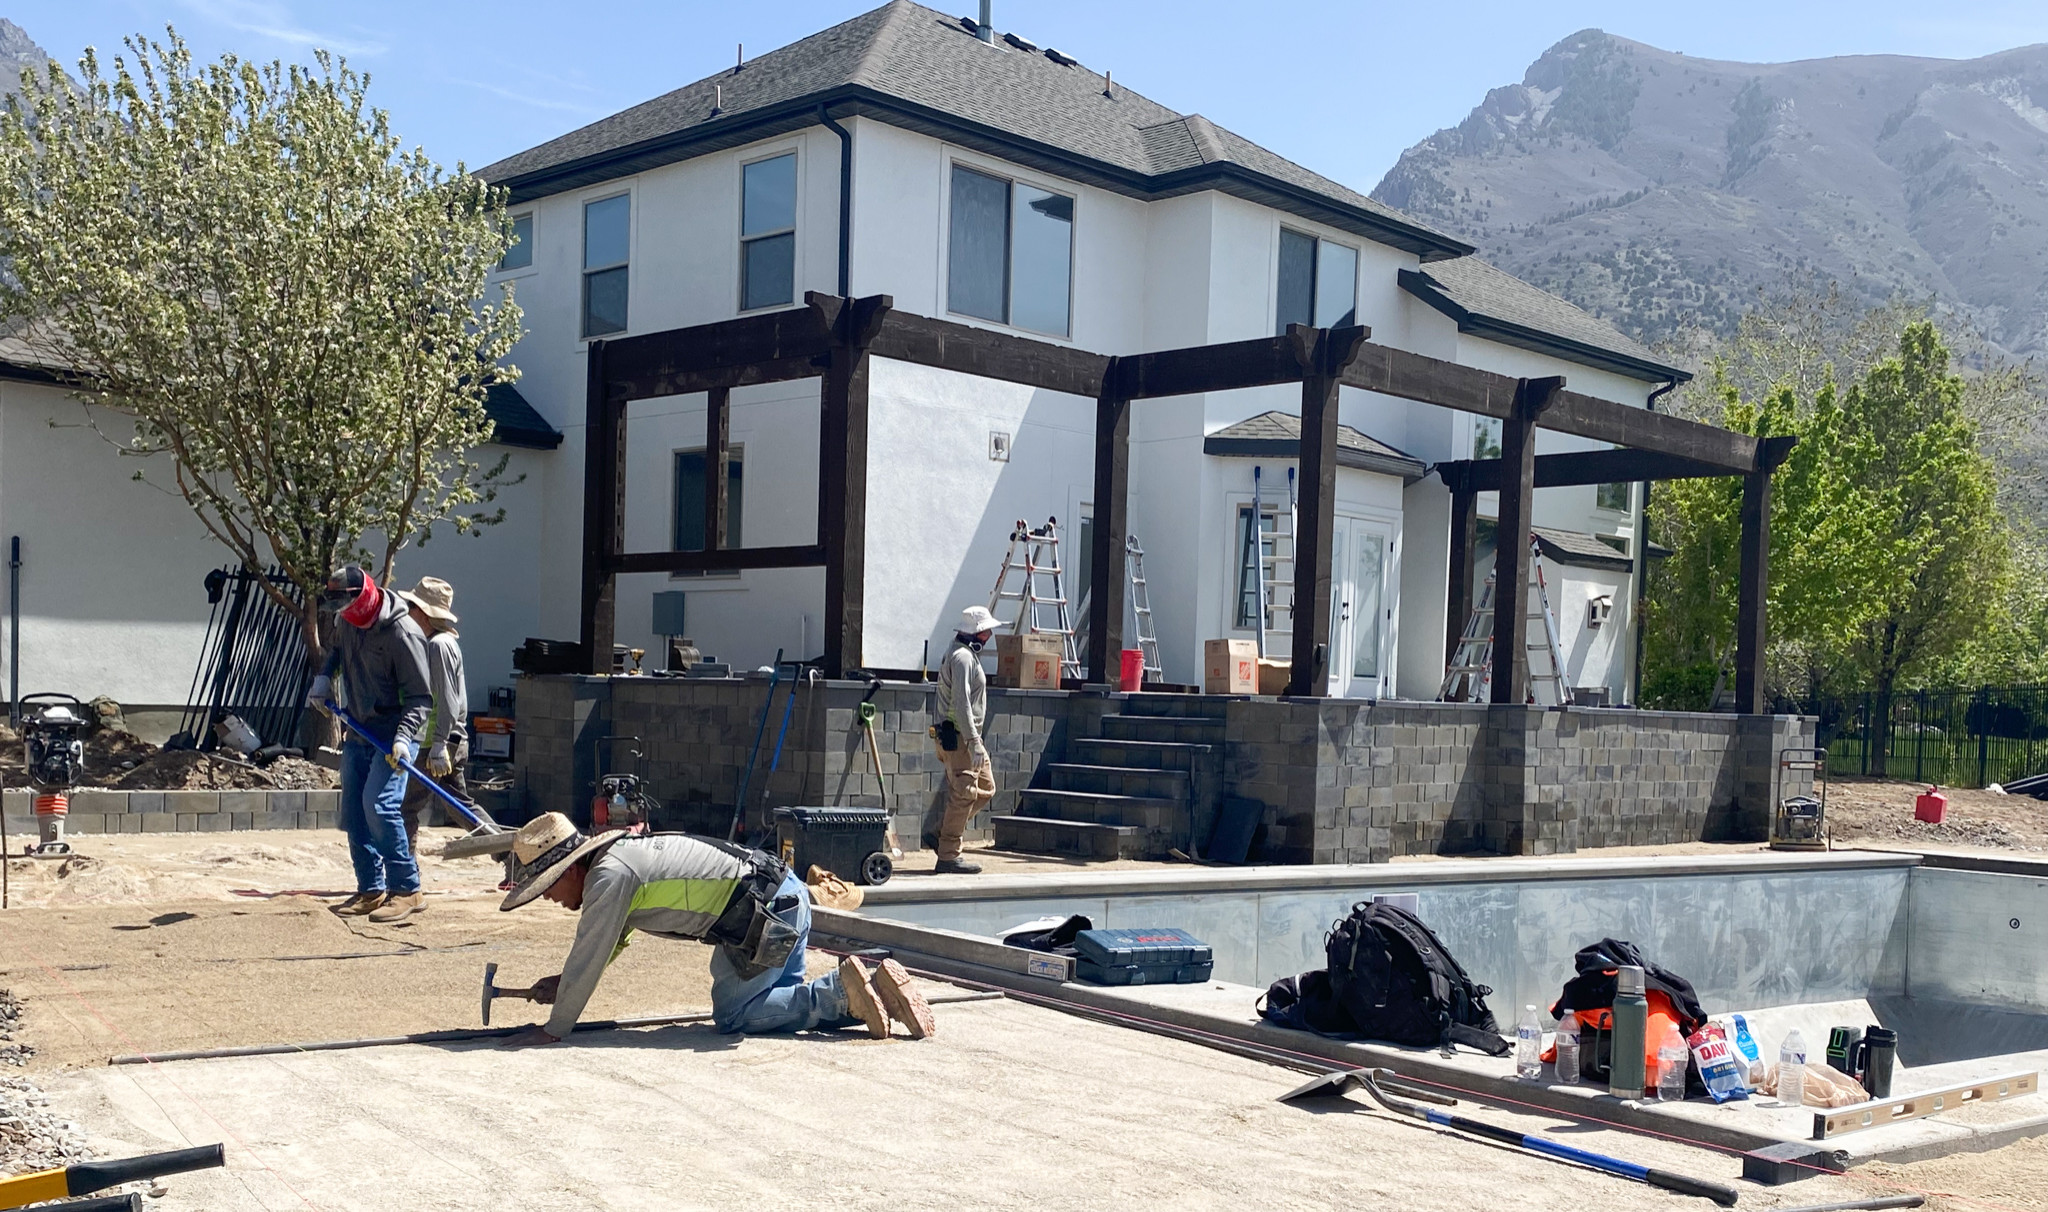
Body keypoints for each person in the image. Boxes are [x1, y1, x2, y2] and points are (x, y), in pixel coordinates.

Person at [494, 813, 935, 1047]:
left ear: (571, 868)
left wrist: (555, 1028)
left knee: (736, 1016)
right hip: (781, 898)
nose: (549, 897)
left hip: (766, 916)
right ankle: (870, 991)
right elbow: (613, 939)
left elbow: (588, 953)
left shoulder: (608, 879)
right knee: (778, 1012)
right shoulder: (620, 857)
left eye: (548, 886)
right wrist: (562, 984)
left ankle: (841, 994)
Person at [306, 565, 433, 923]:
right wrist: (324, 677)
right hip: (359, 726)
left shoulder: (402, 633)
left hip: (394, 735)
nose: (340, 616)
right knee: (354, 810)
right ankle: (370, 888)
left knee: (378, 805)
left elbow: (421, 698)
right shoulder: (347, 621)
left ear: (362, 598)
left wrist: (405, 737)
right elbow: (335, 650)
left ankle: (407, 889)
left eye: (344, 608)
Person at [395, 576, 474, 847]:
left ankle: (405, 872)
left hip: (440, 743)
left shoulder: (438, 646)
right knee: (460, 806)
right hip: (439, 740)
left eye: (412, 606)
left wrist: (440, 743)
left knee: (405, 806)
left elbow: (449, 700)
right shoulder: (436, 643)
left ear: (424, 613)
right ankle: (509, 853)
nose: (408, 610)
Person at [931, 605, 999, 875]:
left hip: (965, 738)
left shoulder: (965, 654)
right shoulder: (962, 658)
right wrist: (973, 741)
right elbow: (961, 704)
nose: (990, 635)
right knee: (964, 795)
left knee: (986, 787)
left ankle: (942, 832)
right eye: (985, 631)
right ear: (974, 633)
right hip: (959, 738)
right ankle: (948, 855)